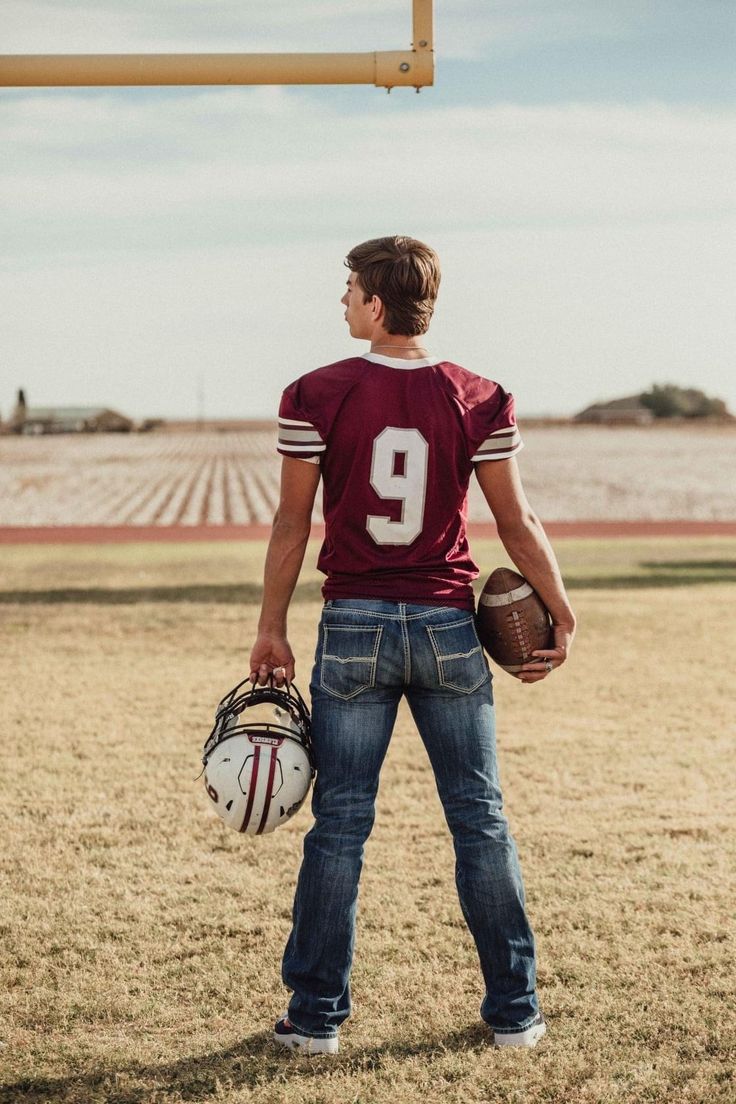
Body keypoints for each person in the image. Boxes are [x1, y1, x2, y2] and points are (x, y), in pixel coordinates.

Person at [248, 236, 576, 1056]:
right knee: (480, 821)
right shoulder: (480, 395)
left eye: (348, 287)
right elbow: (517, 523)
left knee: (340, 825)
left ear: (376, 300)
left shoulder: (316, 392)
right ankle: (515, 1013)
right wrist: (561, 608)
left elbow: (293, 524)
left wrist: (270, 626)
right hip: (445, 625)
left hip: (355, 622)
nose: (342, 301)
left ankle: (316, 1018)